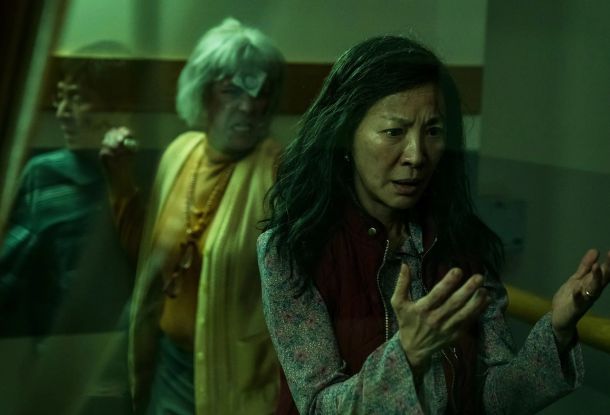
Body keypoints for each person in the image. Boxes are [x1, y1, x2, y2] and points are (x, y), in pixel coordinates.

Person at [258, 35, 609, 414]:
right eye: (394, 132)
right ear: (345, 135)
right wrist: (406, 356)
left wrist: (557, 332)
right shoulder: (292, 250)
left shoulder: (462, 243)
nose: (416, 155)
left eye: (433, 131)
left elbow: (492, 400)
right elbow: (317, 406)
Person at [100, 18, 285, 414]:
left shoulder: (277, 172)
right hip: (168, 364)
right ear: (203, 95)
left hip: (238, 381)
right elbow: (149, 258)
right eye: (231, 90)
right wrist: (119, 180)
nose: (248, 105)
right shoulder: (179, 153)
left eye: (259, 91)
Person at [0, 42, 132, 338]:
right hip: (59, 345)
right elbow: (9, 271)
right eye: (60, 97)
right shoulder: (44, 175)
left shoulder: (146, 175)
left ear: (118, 110)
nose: (61, 113)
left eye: (78, 98)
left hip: (127, 346)